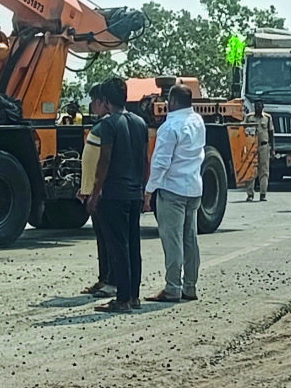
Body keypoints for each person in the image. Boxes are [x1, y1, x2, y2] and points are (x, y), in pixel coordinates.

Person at [79, 79, 152, 312]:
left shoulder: (108, 126)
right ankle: (134, 296)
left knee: (118, 246)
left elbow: (104, 160)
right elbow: (144, 160)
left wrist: (95, 192)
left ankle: (121, 299)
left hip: (114, 194)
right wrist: (144, 189)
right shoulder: (140, 123)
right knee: (133, 245)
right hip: (133, 193)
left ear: (107, 102)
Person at [145, 85, 206, 304]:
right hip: (194, 187)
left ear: (172, 101)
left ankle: (172, 288)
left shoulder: (169, 127)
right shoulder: (198, 121)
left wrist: (149, 190)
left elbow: (161, 163)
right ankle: (190, 286)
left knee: (172, 241)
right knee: (190, 239)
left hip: (173, 189)